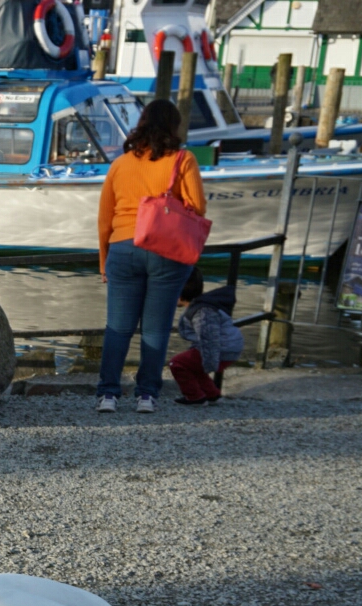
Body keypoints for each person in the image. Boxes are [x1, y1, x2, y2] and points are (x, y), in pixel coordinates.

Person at [95, 99, 206, 414]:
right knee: (156, 328)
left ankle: (108, 395)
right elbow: (198, 207)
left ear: (141, 125)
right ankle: (146, 396)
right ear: (174, 126)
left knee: (118, 326)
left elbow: (104, 219)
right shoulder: (183, 160)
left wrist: (104, 261)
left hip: (122, 248)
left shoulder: (120, 164)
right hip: (165, 250)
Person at [169, 267, 245, 405]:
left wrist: (210, 363)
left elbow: (209, 337)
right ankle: (212, 395)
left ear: (178, 294)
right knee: (194, 366)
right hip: (227, 347)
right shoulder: (201, 305)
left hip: (222, 349)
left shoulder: (202, 311)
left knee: (177, 363)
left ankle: (194, 396)